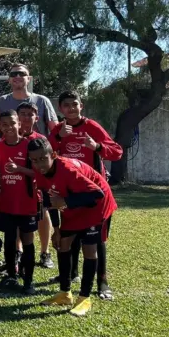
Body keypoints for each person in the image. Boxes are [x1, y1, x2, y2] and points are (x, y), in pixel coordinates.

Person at [27, 138, 117, 316]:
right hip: (73, 206)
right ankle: (65, 293)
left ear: (53, 155)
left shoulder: (68, 170)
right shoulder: (39, 171)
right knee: (63, 244)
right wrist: (57, 229)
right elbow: (49, 200)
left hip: (96, 206)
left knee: (89, 249)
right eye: (34, 160)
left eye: (43, 158)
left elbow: (97, 194)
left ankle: (84, 298)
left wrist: (66, 201)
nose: (39, 164)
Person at [49, 90, 123, 299]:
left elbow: (116, 152)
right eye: (66, 105)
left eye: (75, 104)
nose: (71, 108)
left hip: (94, 195)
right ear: (60, 109)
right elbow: (46, 154)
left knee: (97, 240)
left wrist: (97, 146)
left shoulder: (91, 127)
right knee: (70, 235)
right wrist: (57, 137)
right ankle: (72, 274)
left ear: (82, 106)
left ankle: (103, 282)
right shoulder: (59, 130)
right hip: (70, 194)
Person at [0, 110, 39, 294]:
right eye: (4, 125)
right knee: (9, 240)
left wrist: (19, 169)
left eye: (12, 123)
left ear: (19, 124)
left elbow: (39, 172)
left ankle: (29, 281)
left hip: (27, 203)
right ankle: (11, 277)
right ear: (0, 127)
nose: (9, 128)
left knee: (27, 241)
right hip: (7, 203)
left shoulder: (29, 146)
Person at [17, 102, 55, 269]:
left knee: (42, 216)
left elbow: (47, 168)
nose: (26, 117)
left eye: (29, 114)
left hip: (36, 188)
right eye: (23, 114)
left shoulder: (41, 140)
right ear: (17, 117)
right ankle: (18, 252)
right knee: (16, 220)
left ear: (36, 118)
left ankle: (45, 252)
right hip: (15, 189)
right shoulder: (10, 137)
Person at [0, 64, 58, 136]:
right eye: (13, 74)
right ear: (9, 80)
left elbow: (55, 130)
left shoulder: (42, 101)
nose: (18, 76)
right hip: (12, 146)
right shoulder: (1, 102)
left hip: (38, 146)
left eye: (22, 74)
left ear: (28, 79)